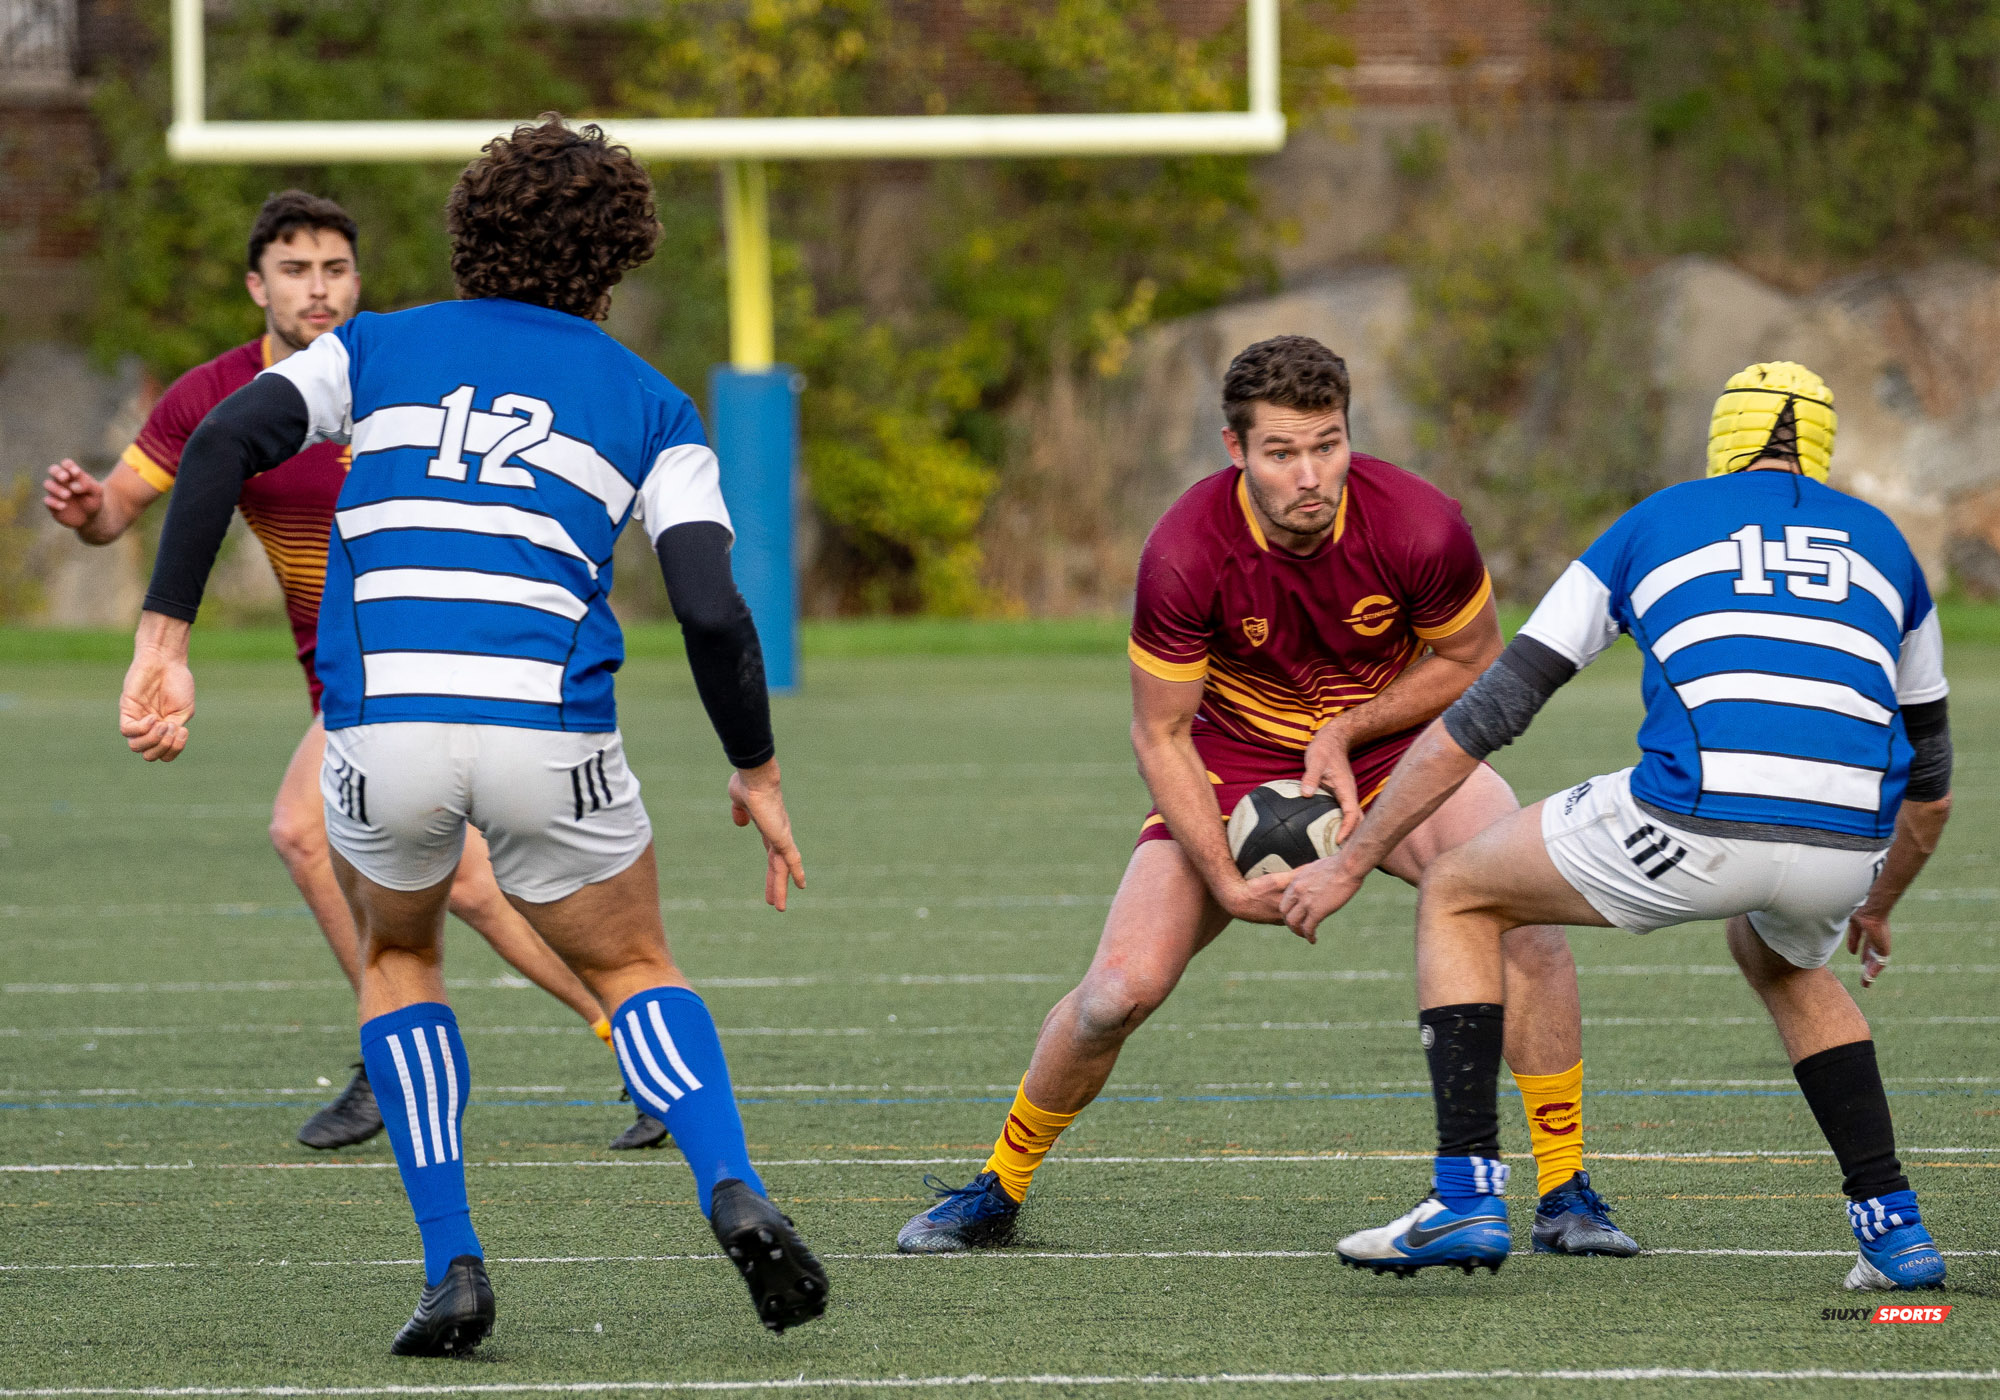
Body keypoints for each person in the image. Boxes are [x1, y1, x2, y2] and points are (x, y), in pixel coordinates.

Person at [115, 118, 827, 1354]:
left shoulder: (373, 346)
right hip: (549, 732)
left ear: (468, 232)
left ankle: (452, 1264)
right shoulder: (654, 405)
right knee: (632, 966)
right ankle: (730, 1182)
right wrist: (755, 768)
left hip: (381, 728)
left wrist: (163, 639)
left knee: (399, 955)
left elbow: (223, 439)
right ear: (618, 259)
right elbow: (712, 609)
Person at [898, 336, 1634, 1258]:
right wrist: (1223, 877)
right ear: (1235, 449)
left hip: (1392, 748)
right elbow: (1161, 734)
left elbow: (1473, 659)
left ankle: (1565, 1193)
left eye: (1328, 445)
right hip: (1233, 757)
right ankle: (997, 1188)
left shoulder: (1420, 525)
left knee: (1526, 927)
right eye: (1282, 452)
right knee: (1115, 995)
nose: (1310, 475)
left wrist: (1348, 729)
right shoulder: (1185, 550)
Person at [1286, 362, 1951, 1291]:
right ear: (1824, 449)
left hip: (1692, 819)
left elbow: (1496, 708)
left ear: (1722, 442)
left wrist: (1354, 857)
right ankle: (1894, 1228)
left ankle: (1465, 1194)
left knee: (1459, 890)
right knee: (1783, 960)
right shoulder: (1889, 549)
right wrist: (1877, 904)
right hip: (1846, 847)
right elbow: (1933, 783)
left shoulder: (1655, 522)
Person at [42, 190, 669, 1154]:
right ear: (257, 287)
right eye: (295, 270)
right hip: (340, 676)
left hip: (404, 664)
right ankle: (636, 1048)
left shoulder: (392, 372)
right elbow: (121, 507)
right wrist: (89, 510)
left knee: (300, 832)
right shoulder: (220, 396)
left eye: (336, 269)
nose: (319, 289)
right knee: (472, 887)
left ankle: (395, 1057)